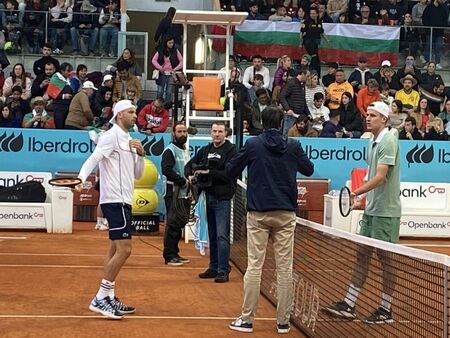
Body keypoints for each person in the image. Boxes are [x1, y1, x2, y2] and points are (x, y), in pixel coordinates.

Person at [226, 105, 314, 334]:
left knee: (254, 267)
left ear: (262, 123)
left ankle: (246, 320)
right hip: (285, 214)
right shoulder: (293, 146)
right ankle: (283, 322)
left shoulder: (253, 144)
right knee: (285, 269)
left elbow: (231, 169)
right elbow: (309, 169)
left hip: (259, 214)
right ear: (281, 123)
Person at [324, 101, 401, 325]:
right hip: (371, 209)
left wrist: (355, 193)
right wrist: (362, 200)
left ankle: (386, 309)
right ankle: (349, 303)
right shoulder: (371, 142)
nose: (368, 118)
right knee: (362, 256)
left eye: (373, 116)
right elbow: (370, 175)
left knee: (387, 261)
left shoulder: (388, 141)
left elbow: (381, 177)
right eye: (367, 115)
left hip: (386, 212)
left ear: (384, 119)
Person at [77, 99, 145, 319]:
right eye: (131, 112)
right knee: (125, 249)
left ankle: (109, 297)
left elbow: (138, 175)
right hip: (113, 200)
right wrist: (80, 178)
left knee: (114, 250)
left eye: (135, 112)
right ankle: (100, 297)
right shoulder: (110, 136)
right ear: (119, 116)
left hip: (125, 200)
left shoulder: (130, 140)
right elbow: (94, 158)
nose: (135, 116)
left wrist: (141, 155)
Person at [185, 122, 237, 283]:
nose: (216, 134)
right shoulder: (205, 150)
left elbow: (230, 173)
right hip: (207, 197)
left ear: (225, 133)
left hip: (222, 198)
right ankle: (214, 267)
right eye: (214, 131)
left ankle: (223, 270)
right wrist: (191, 176)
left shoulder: (231, 150)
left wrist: (210, 172)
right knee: (213, 234)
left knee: (222, 235)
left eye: (220, 131)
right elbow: (188, 166)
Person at [161, 122, 190, 266]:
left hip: (183, 193)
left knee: (179, 223)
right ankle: (169, 255)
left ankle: (175, 253)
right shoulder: (170, 150)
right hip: (173, 191)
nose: (182, 134)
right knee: (172, 223)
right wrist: (181, 180)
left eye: (184, 131)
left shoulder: (185, 150)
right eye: (179, 131)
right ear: (173, 133)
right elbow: (166, 170)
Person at [151, 35, 183, 104]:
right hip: (162, 73)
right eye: (170, 43)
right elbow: (153, 60)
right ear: (166, 43)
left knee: (169, 91)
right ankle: (158, 105)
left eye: (172, 43)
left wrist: (175, 69)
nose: (171, 44)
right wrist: (160, 68)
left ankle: (167, 106)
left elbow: (182, 61)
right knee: (160, 91)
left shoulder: (175, 51)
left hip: (171, 74)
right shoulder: (160, 51)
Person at [279, 67, 310, 135]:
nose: (308, 78)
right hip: (291, 115)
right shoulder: (291, 83)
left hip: (300, 116)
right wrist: (287, 109)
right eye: (307, 76)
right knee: (287, 135)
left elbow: (303, 100)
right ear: (302, 74)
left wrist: (308, 113)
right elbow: (282, 96)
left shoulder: (302, 85)